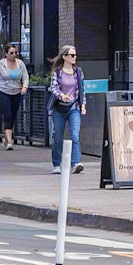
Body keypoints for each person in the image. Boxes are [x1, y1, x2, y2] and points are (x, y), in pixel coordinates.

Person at [47, 44, 86, 174]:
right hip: (59, 108)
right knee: (58, 136)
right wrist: (62, 96)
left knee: (75, 135)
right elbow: (53, 88)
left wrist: (83, 105)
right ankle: (56, 164)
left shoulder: (78, 72)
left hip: (74, 107)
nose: (75, 57)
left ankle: (75, 163)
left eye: (75, 55)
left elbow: (82, 90)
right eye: (72, 55)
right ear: (64, 57)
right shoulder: (57, 72)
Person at [0, 44, 28, 148]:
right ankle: (10, 141)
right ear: (6, 54)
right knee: (8, 115)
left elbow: (25, 77)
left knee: (13, 116)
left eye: (15, 53)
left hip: (16, 92)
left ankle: (6, 138)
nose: (14, 55)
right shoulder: (0, 64)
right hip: (3, 92)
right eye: (11, 53)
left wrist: (25, 86)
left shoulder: (20, 64)